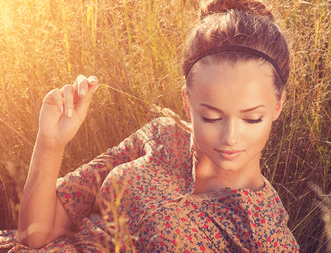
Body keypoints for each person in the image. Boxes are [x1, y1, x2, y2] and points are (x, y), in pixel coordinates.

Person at [0, 0, 299, 251]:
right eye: (211, 117)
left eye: (251, 119)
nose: (230, 137)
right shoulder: (163, 135)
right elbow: (35, 237)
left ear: (278, 105)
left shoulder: (267, 233)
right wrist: (51, 143)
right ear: (186, 101)